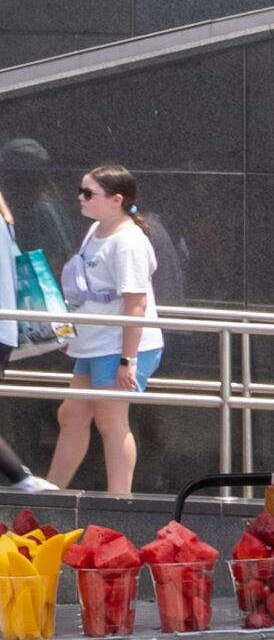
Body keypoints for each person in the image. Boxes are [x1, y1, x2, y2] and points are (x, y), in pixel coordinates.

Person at [44, 163, 159, 497]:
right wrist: (72, 335)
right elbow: (84, 290)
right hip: (95, 341)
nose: (80, 198)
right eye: (81, 190)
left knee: (111, 422)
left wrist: (128, 359)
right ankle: (50, 492)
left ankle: (119, 502)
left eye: (88, 193)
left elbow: (135, 303)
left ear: (116, 199)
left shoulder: (128, 242)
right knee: (72, 414)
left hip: (119, 344)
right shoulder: (96, 231)